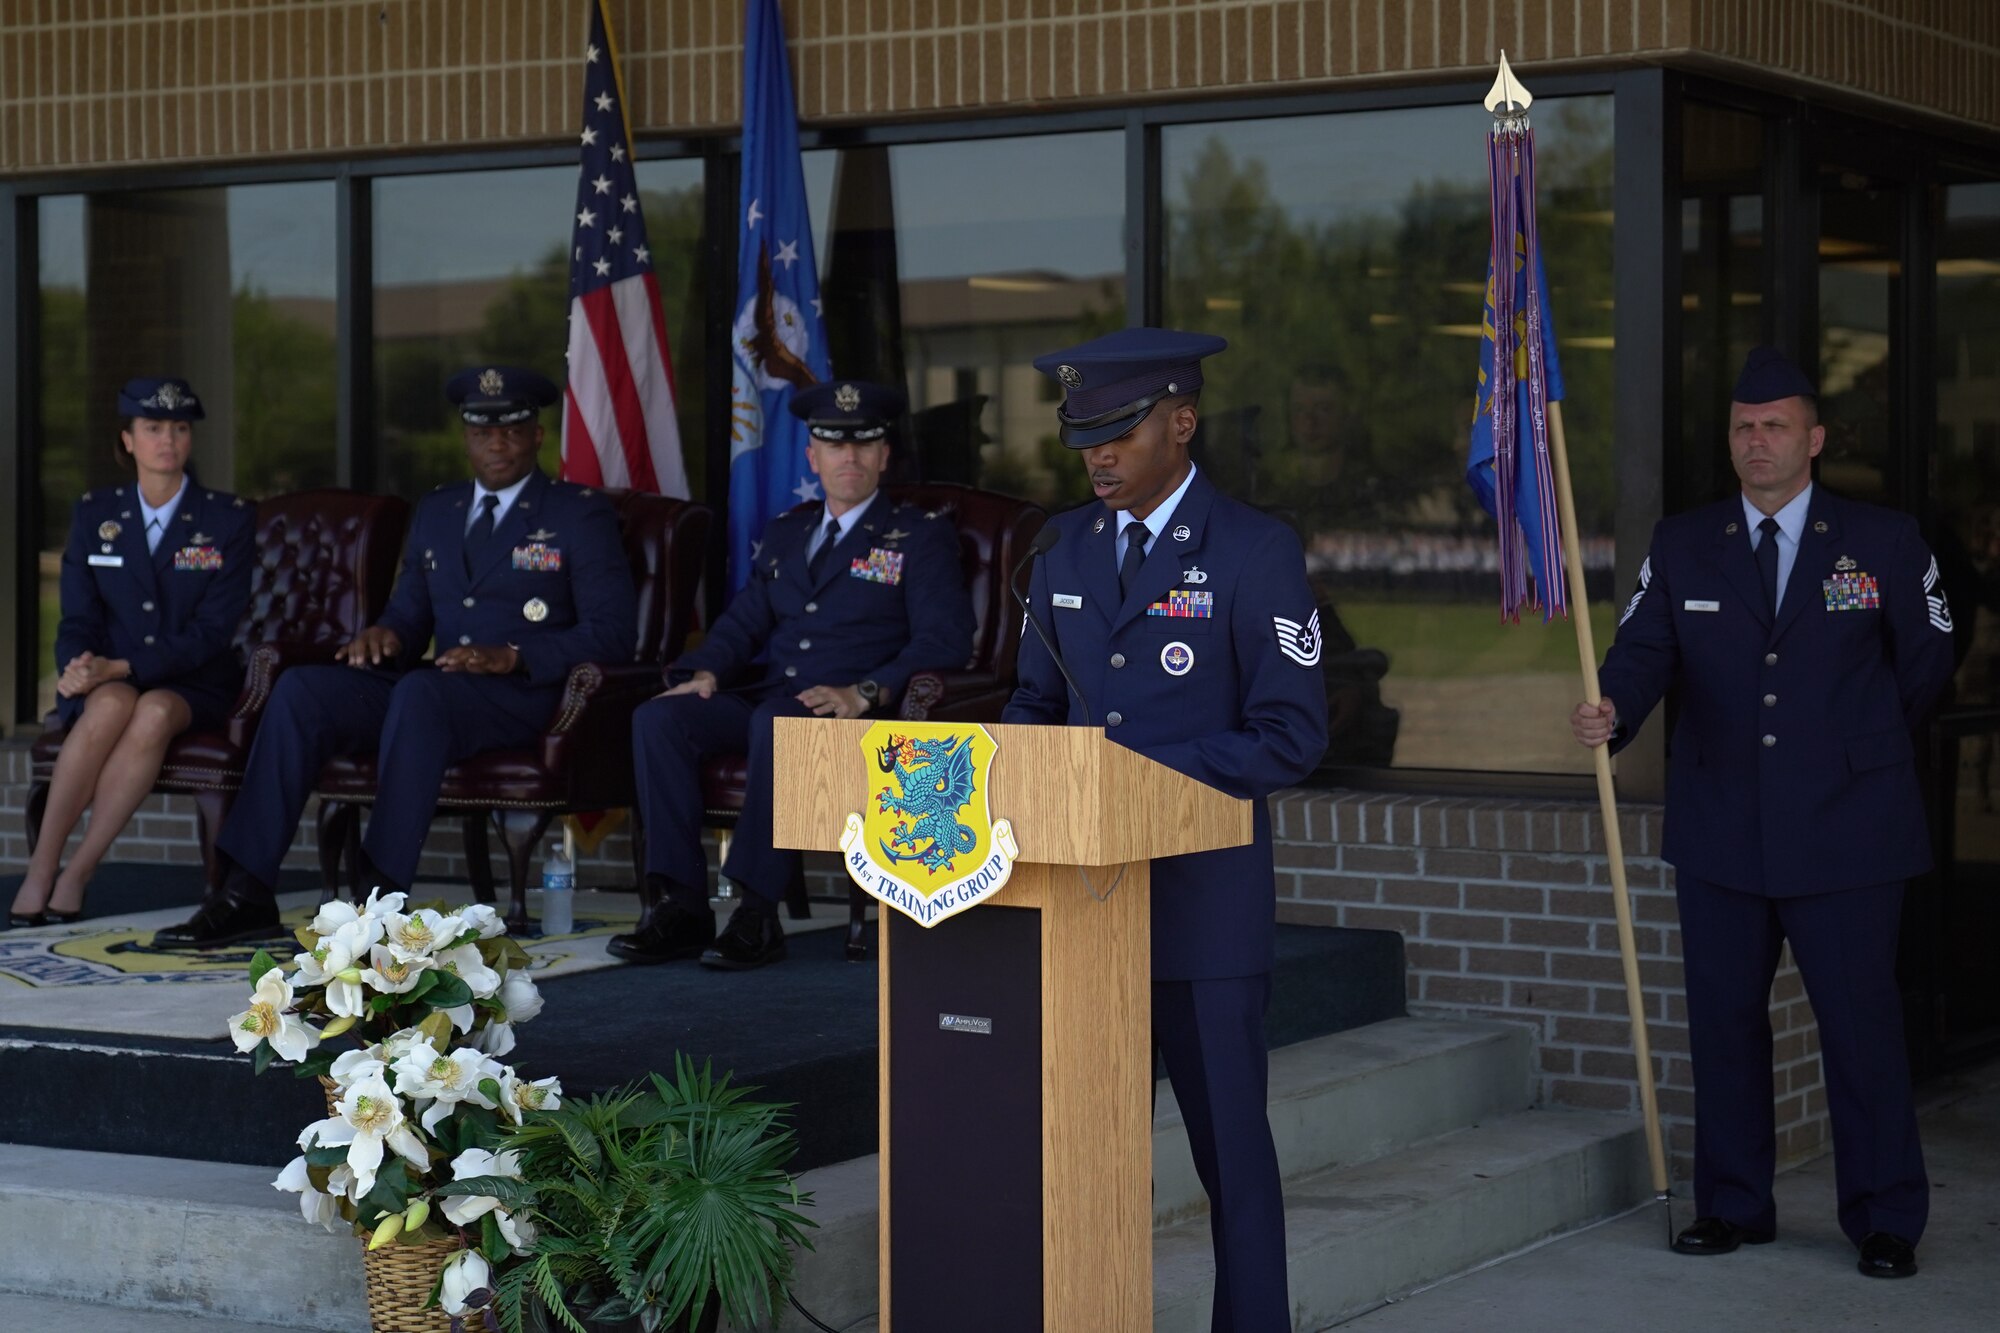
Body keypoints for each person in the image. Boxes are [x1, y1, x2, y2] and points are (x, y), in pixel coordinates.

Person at [1573, 346, 1954, 1279]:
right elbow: (1642, 648)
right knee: (1725, 1025)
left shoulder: (1885, 539)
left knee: (1861, 1033)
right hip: (1722, 832)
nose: (1757, 441)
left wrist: (1851, 745)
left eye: (1775, 425)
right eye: (1744, 427)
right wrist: (1615, 708)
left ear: (1814, 439)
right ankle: (1734, 1205)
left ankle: (1883, 1218)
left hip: (1851, 829)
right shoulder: (1683, 542)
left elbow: (1928, 661)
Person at [1001, 328, 1328, 1332]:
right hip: (1080, 909)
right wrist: (1006, 774)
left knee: (1229, 1152)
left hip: (1200, 912)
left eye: (1117, 431)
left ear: (1180, 421)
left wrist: (1130, 778)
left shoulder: (1252, 550)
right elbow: (1033, 703)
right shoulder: (1059, 546)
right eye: (1082, 436)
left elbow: (1289, 736)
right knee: (1084, 1152)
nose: (1096, 455)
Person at [153, 367, 637, 948]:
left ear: (537, 435)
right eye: (483, 431)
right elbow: (410, 617)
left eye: (512, 429)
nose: (497, 442)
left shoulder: (575, 513)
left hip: (525, 695)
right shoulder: (438, 509)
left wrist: (513, 655)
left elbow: (612, 634)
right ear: (466, 437)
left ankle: (378, 901)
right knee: (305, 689)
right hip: (438, 693)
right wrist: (383, 634)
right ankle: (245, 891)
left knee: (419, 692)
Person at [610, 379, 974, 969]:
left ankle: (757, 912)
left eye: (863, 445)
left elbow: (945, 641)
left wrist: (867, 690)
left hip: (857, 711)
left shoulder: (921, 535)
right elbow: (743, 622)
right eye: (834, 446)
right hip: (774, 697)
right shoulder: (788, 532)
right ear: (814, 457)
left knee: (778, 722)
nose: (848, 457)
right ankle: (679, 905)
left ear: (884, 456)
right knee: (662, 718)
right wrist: (705, 671)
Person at [10, 378, 254, 927]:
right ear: (128, 440)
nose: (167, 440)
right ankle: (41, 869)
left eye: (179, 428)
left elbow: (213, 632)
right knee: (111, 705)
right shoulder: (96, 514)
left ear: (189, 439)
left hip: (194, 681)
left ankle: (80, 871)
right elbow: (77, 617)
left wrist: (120, 667)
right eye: (152, 428)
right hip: (108, 679)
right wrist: (76, 666)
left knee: (153, 710)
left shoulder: (228, 518)